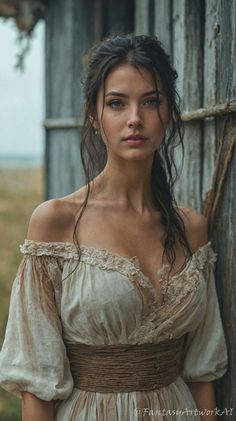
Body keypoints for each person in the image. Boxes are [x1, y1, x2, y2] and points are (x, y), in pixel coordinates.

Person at [0, 34, 228, 421]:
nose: (134, 118)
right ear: (94, 114)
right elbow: (36, 386)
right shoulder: (56, 223)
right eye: (117, 103)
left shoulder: (191, 228)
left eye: (151, 101)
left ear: (168, 112)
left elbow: (202, 372)